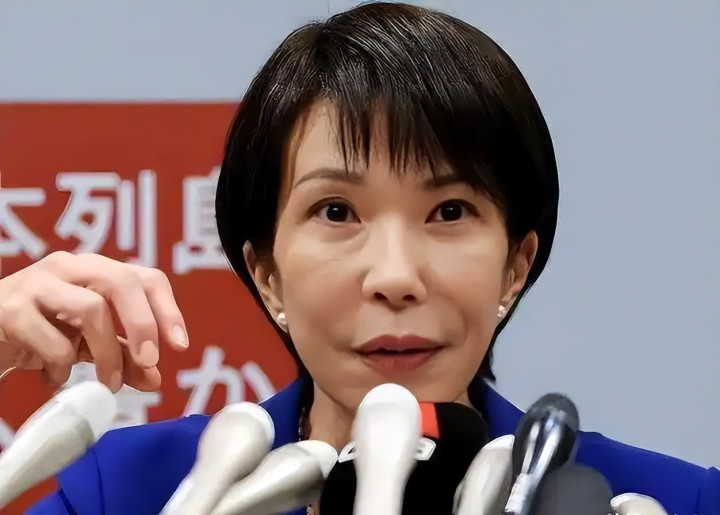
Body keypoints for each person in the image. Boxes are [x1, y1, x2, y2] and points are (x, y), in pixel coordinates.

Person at [0, 3, 716, 514]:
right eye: (337, 212)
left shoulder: (664, 500)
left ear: (515, 265)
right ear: (266, 273)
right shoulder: (134, 490)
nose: (395, 277)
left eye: (449, 211)